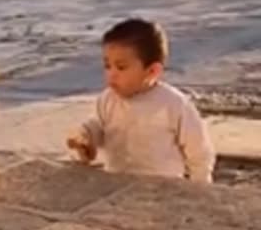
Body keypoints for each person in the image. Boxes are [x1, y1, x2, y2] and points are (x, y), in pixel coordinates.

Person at [66, 18, 216, 183]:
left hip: (163, 188)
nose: (112, 74)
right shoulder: (107, 99)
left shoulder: (173, 104)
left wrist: (199, 186)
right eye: (107, 66)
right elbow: (99, 126)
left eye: (121, 67)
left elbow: (199, 151)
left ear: (152, 71)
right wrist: (86, 136)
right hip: (116, 184)